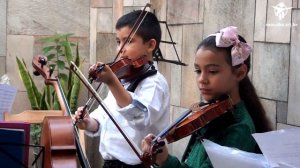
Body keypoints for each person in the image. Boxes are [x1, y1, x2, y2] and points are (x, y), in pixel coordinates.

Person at [141, 26, 272, 168]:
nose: (201, 79)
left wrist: (166, 161)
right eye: (198, 70)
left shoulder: (239, 128)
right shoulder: (214, 114)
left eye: (212, 71)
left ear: (240, 73)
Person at [74, 10, 170, 168]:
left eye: (129, 41)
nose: (121, 49)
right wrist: (89, 122)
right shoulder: (123, 79)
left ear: (151, 45)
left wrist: (112, 83)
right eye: (118, 42)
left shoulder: (154, 83)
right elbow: (105, 118)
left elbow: (140, 118)